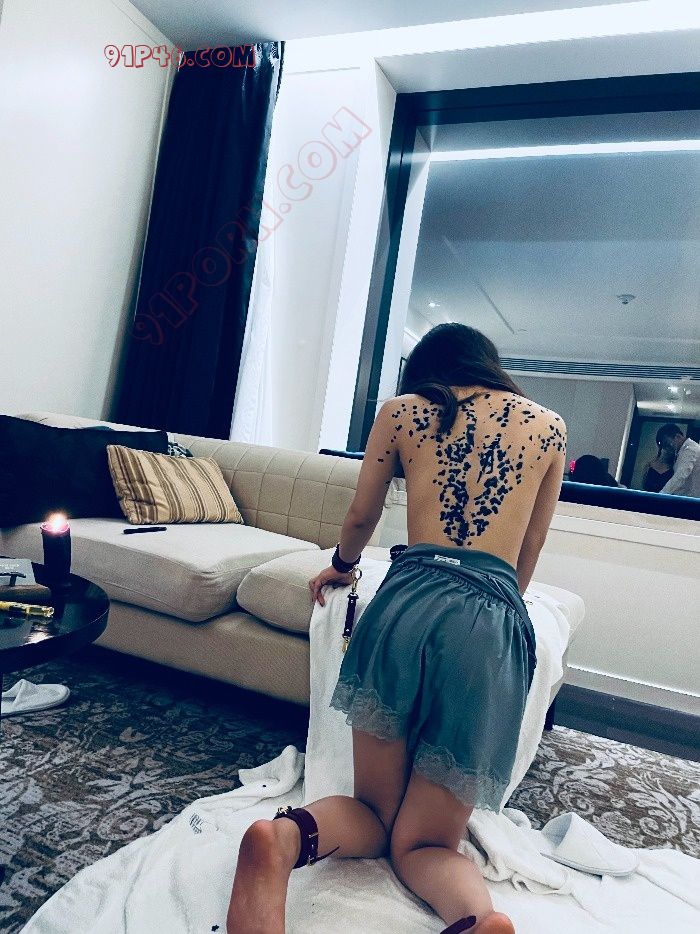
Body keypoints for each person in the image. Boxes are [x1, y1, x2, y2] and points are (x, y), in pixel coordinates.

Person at [227, 324, 567, 934]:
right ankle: (476, 920)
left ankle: (282, 840)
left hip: (405, 603)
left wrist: (342, 566)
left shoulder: (402, 411)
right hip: (487, 620)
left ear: (426, 368)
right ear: (487, 362)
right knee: (427, 844)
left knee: (371, 810)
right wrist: (499, 614)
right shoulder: (548, 426)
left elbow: (362, 514)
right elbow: (532, 542)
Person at [657, 424, 700, 498]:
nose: (668, 449)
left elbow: (681, 475)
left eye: (668, 444)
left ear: (678, 437)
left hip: (691, 499)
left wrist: (661, 495)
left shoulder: (690, 449)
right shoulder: (684, 451)